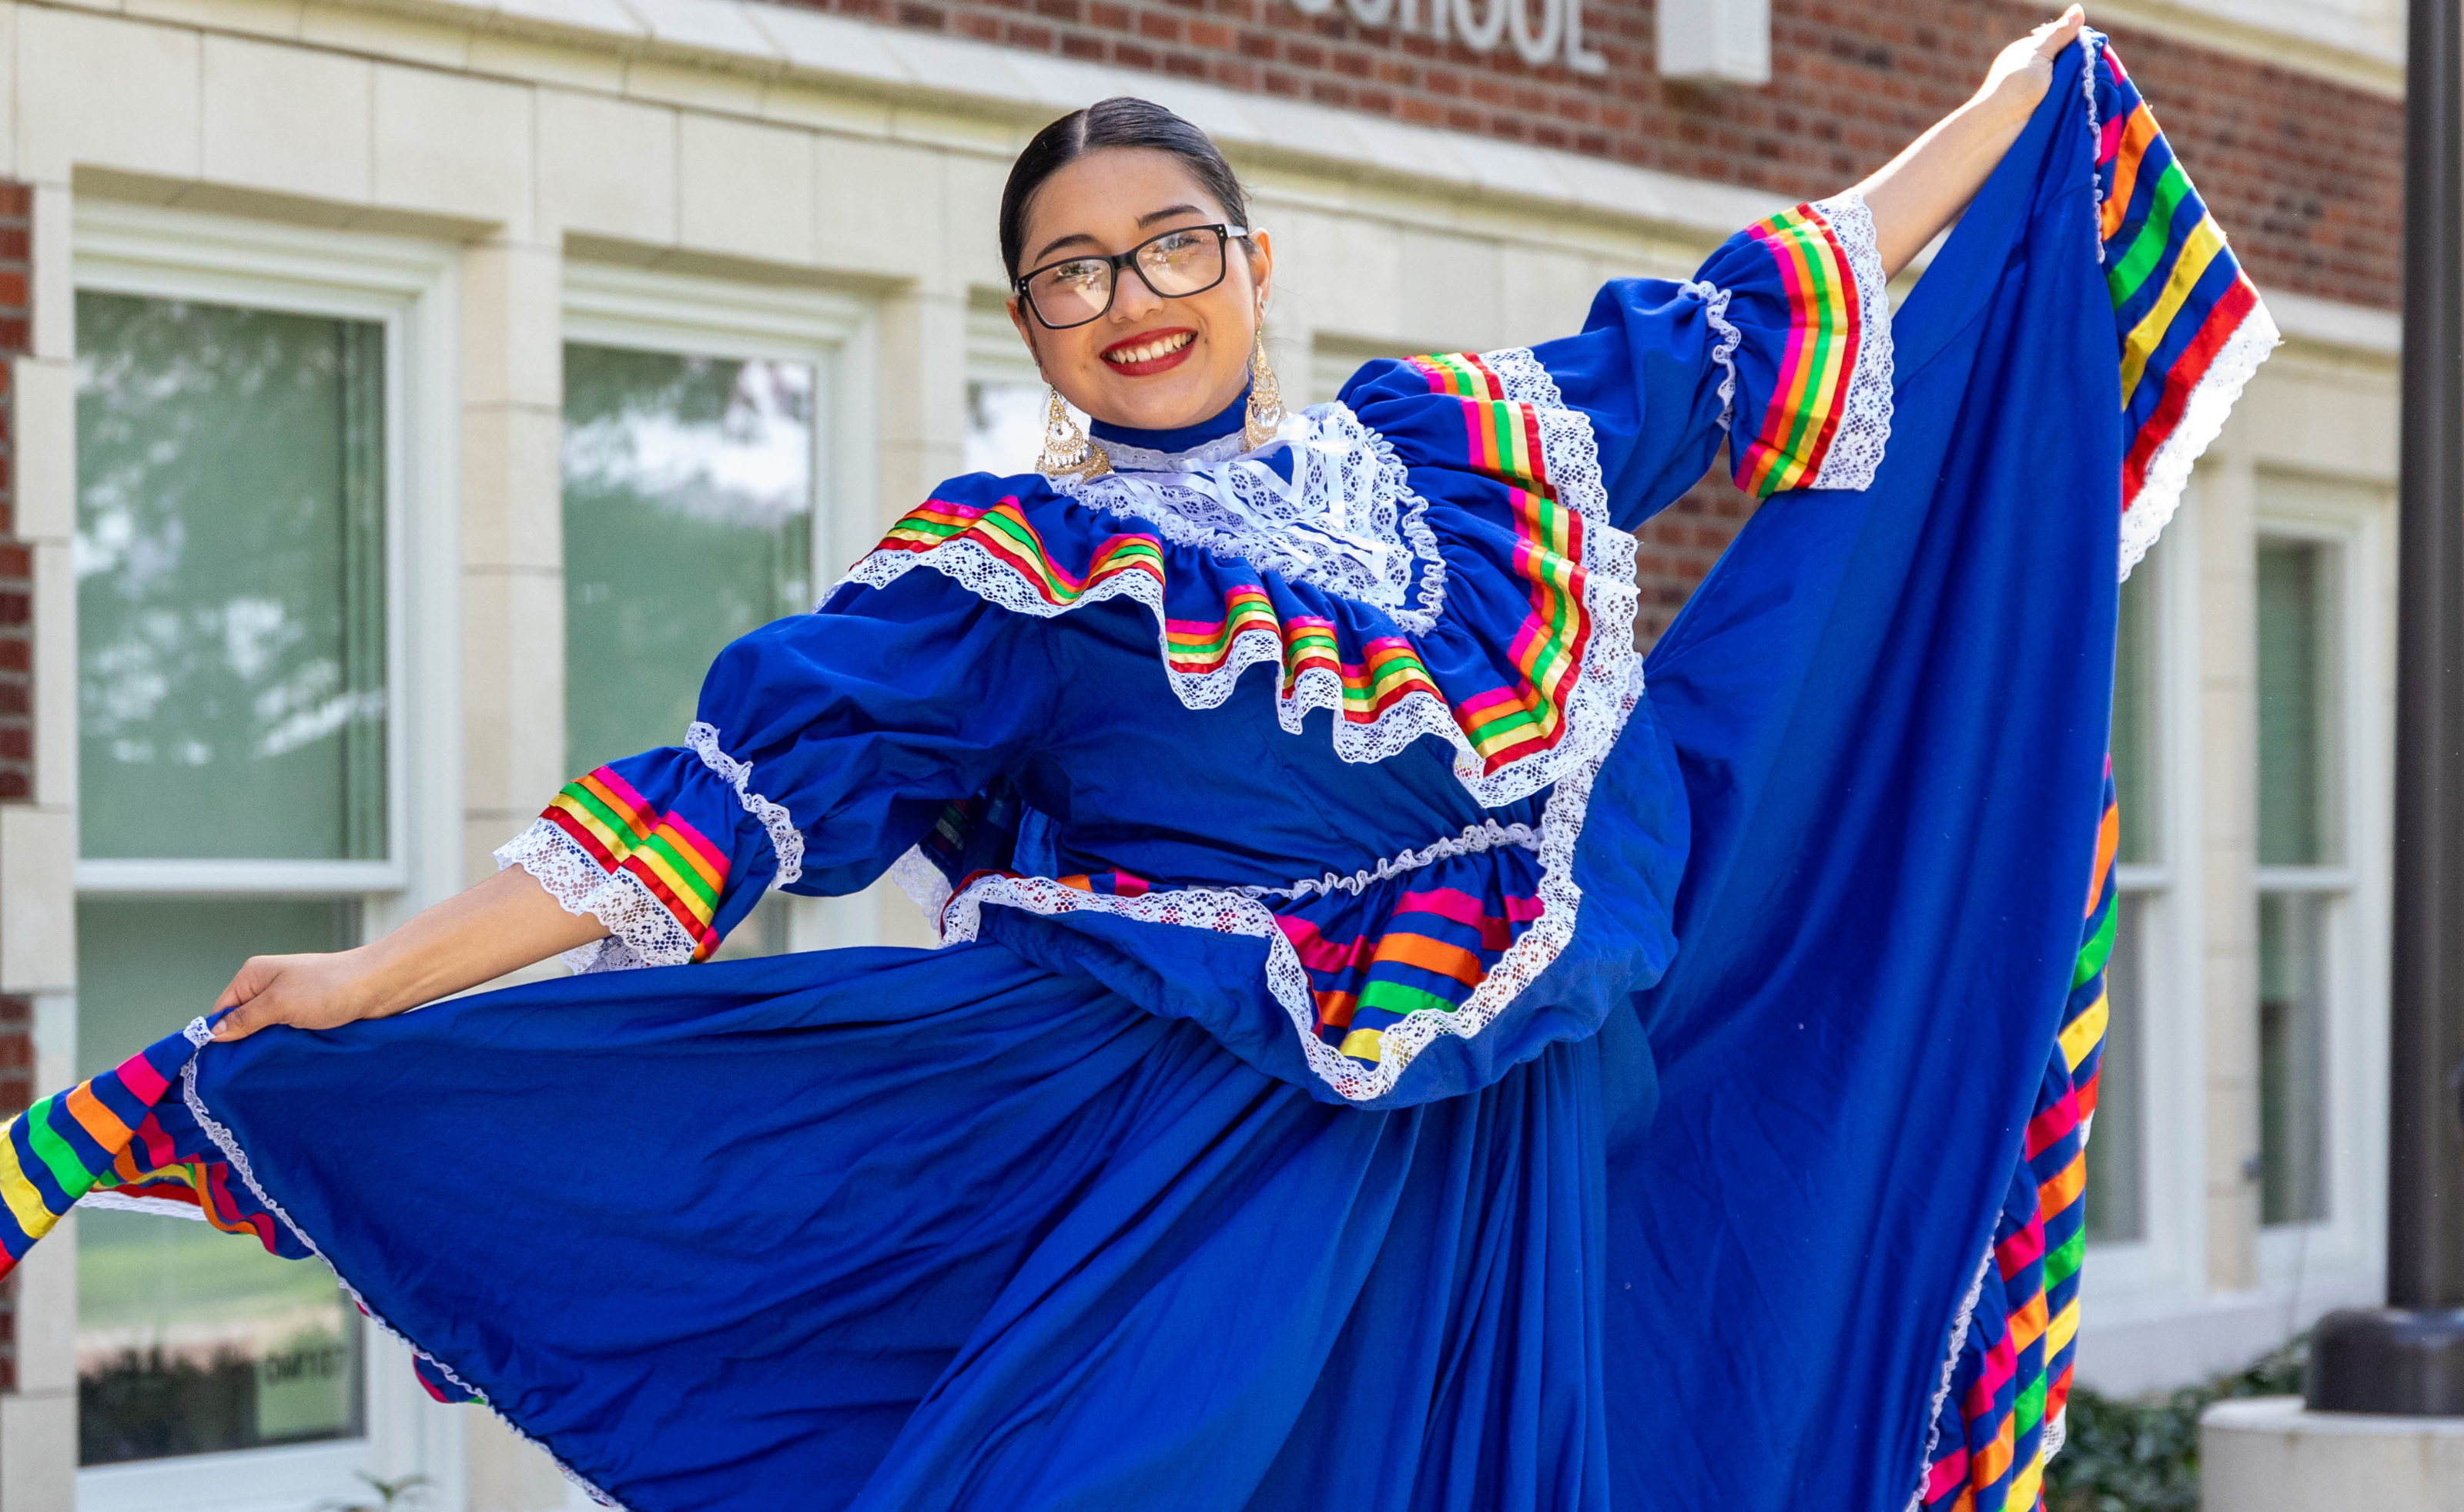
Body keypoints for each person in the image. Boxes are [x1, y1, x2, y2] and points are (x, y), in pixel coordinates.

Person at [1, 10, 2272, 1510]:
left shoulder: (1478, 449)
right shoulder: (1015, 568)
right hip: (1203, 1172)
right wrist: (385, 978)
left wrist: (2007, 110)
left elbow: (1762, 307)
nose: (1131, 290)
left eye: (1170, 241)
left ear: (1258, 268)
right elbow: (721, 803)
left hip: (1496, 1173)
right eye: (1072, 270)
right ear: (1032, 328)